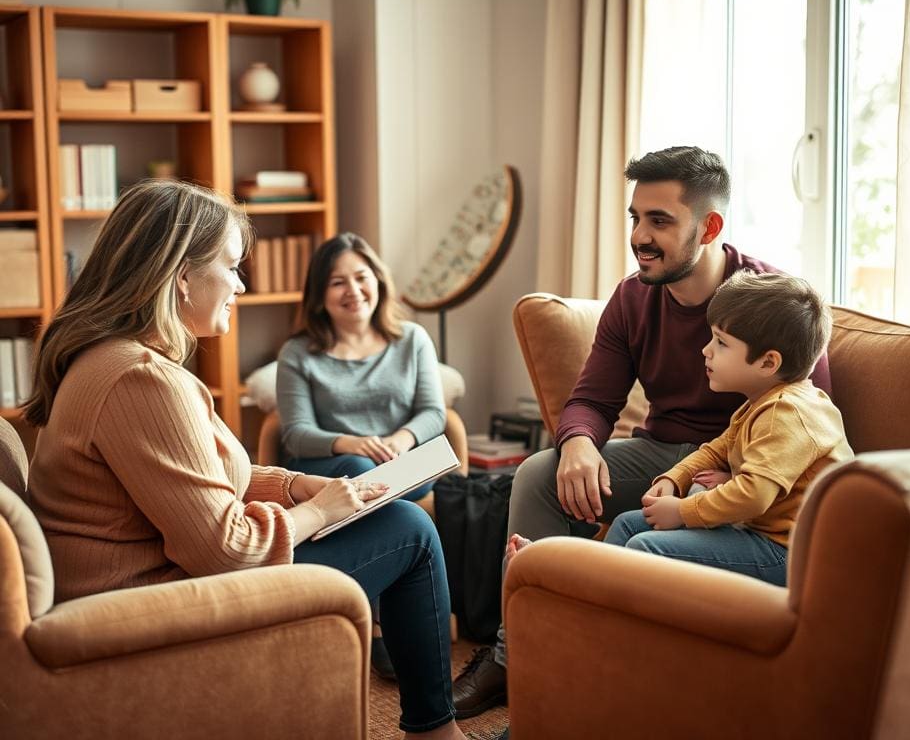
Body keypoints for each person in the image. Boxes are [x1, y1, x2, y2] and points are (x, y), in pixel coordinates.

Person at [24, 180, 467, 740]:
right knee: (411, 530)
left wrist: (296, 486)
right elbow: (228, 552)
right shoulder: (140, 379)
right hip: (149, 603)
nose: (240, 283)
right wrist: (322, 511)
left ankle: (390, 665)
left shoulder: (113, 360)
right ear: (182, 277)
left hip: (143, 579)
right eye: (232, 267)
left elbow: (195, 477)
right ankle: (435, 730)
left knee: (366, 490)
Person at [451, 145, 832, 718]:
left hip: (741, 473)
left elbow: (810, 405)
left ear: (710, 226)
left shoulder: (769, 301)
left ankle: (589, 665)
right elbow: (592, 398)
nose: (640, 236)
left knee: (635, 534)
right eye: (635, 217)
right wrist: (578, 441)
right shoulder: (633, 296)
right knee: (538, 474)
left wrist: (733, 473)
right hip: (662, 455)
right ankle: (516, 659)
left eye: (659, 220)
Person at [601, 270, 853, 582]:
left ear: (767, 363)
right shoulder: (761, 402)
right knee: (628, 524)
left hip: (790, 553)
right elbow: (716, 450)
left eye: (721, 342)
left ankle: (601, 619)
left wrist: (683, 510)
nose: (706, 350)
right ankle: (583, 599)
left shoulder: (787, 412)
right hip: (761, 535)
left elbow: (753, 495)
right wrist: (675, 478)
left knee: (645, 546)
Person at [276, 232, 446, 680]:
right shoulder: (298, 352)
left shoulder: (411, 339)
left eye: (361, 277)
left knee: (375, 475)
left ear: (378, 281)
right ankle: (379, 623)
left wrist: (402, 441)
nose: (353, 290)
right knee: (357, 472)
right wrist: (351, 443)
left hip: (402, 464)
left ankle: (374, 618)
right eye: (337, 282)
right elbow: (293, 433)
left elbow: (434, 412)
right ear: (319, 295)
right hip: (330, 468)